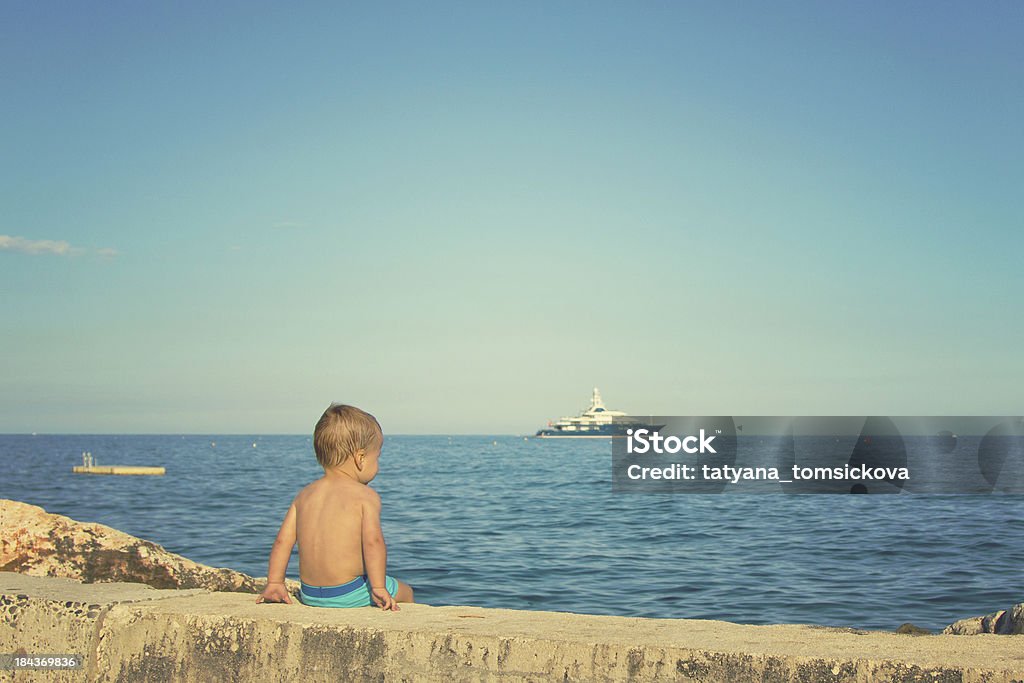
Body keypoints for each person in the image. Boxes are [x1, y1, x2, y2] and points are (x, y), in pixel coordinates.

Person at [256, 404, 414, 610]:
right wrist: (378, 587)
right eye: (378, 457)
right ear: (361, 458)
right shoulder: (366, 496)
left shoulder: (304, 495)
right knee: (406, 591)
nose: (379, 465)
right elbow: (373, 542)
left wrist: (275, 583)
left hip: (310, 593)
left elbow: (282, 542)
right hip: (350, 592)